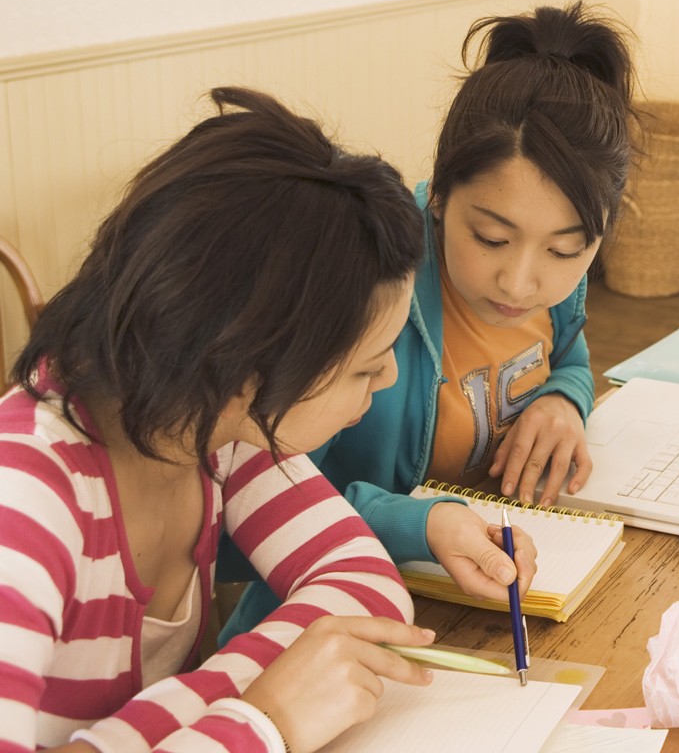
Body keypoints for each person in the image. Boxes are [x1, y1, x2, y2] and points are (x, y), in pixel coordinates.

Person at [0, 87, 459, 753]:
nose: (389, 379)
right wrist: (265, 718)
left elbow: (361, 581)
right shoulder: (27, 497)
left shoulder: (214, 426)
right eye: (367, 367)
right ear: (248, 367)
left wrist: (174, 726)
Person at [224, 2, 635, 642]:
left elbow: (570, 358)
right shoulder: (370, 289)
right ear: (439, 195)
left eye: (564, 250)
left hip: (475, 601)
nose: (522, 283)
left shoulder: (556, 292)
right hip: (326, 620)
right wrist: (417, 523)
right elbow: (259, 496)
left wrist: (563, 399)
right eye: (492, 237)